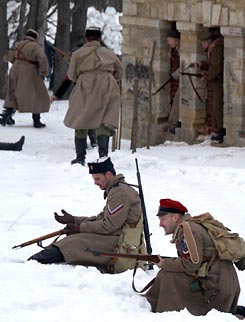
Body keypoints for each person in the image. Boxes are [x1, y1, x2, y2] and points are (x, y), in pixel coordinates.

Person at [28, 157, 146, 273]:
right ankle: (37, 260)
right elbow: (102, 218)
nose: (95, 183)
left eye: (98, 178)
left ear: (109, 174)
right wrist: (74, 220)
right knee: (73, 240)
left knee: (75, 242)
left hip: (121, 243)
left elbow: (108, 225)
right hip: (116, 237)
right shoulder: (117, 190)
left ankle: (34, 262)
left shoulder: (120, 193)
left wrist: (80, 228)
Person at [143, 199, 243, 317]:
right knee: (168, 272)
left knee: (168, 275)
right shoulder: (191, 226)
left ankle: (165, 315)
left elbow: (191, 264)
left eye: (163, 219)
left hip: (216, 288)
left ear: (175, 217)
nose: (160, 224)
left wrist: (165, 263)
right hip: (223, 284)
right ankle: (153, 306)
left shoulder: (187, 230)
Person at [51, 27, 123, 165]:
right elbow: (120, 72)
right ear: (99, 38)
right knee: (103, 122)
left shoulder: (78, 54)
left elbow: (71, 76)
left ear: (86, 38)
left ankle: (80, 157)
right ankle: (103, 156)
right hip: (107, 87)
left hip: (85, 86)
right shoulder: (109, 53)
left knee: (80, 120)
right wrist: (108, 77)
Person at [1, 29, 49, 128]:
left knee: (12, 92)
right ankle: (37, 120)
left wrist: (17, 62)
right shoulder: (35, 46)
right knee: (37, 94)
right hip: (29, 70)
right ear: (35, 37)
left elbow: (8, 56)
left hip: (15, 69)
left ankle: (6, 116)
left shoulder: (18, 44)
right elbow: (42, 59)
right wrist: (44, 72)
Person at [195, 30, 225, 143]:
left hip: (219, 80)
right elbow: (212, 63)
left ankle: (222, 131)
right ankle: (219, 129)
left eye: (203, 43)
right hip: (216, 80)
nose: (203, 46)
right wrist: (202, 65)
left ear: (207, 42)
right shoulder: (213, 48)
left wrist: (206, 76)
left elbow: (217, 67)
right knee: (215, 105)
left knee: (217, 105)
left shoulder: (216, 48)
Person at [164, 28, 182, 135]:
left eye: (170, 40)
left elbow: (186, 66)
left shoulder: (184, 49)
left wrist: (175, 75)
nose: (168, 42)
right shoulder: (178, 49)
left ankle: (175, 123)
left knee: (178, 100)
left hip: (189, 80)